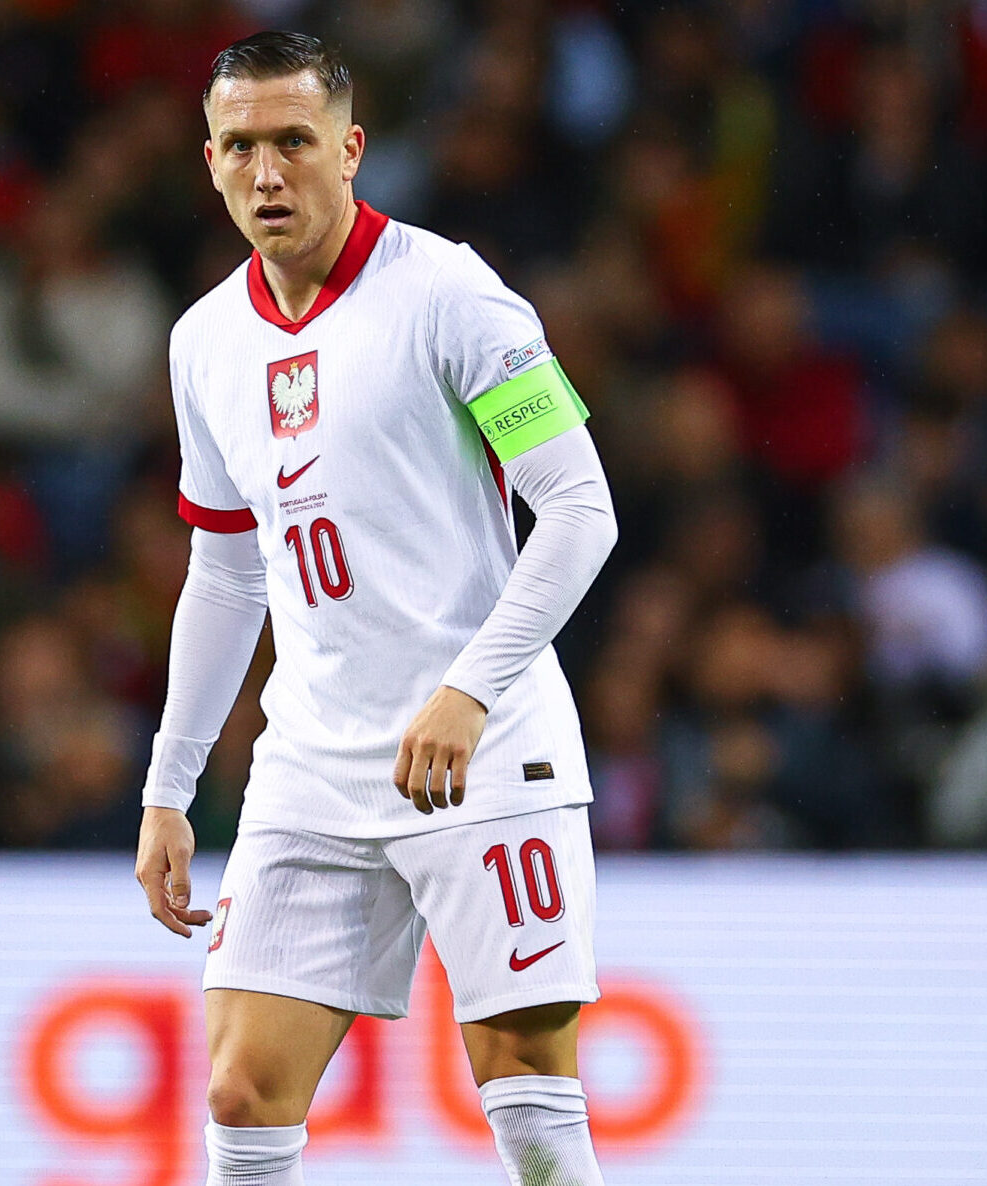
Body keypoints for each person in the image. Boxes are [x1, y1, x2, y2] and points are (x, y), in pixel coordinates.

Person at [133, 32, 617, 1186]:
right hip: (313, 757)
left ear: (351, 150)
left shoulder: (455, 295)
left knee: (528, 1091)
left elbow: (582, 510)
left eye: (293, 142)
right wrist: (169, 779)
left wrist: (469, 689)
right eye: (240, 146)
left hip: (486, 747)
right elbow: (228, 571)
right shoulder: (203, 343)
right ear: (208, 161)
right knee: (242, 1090)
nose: (266, 173)